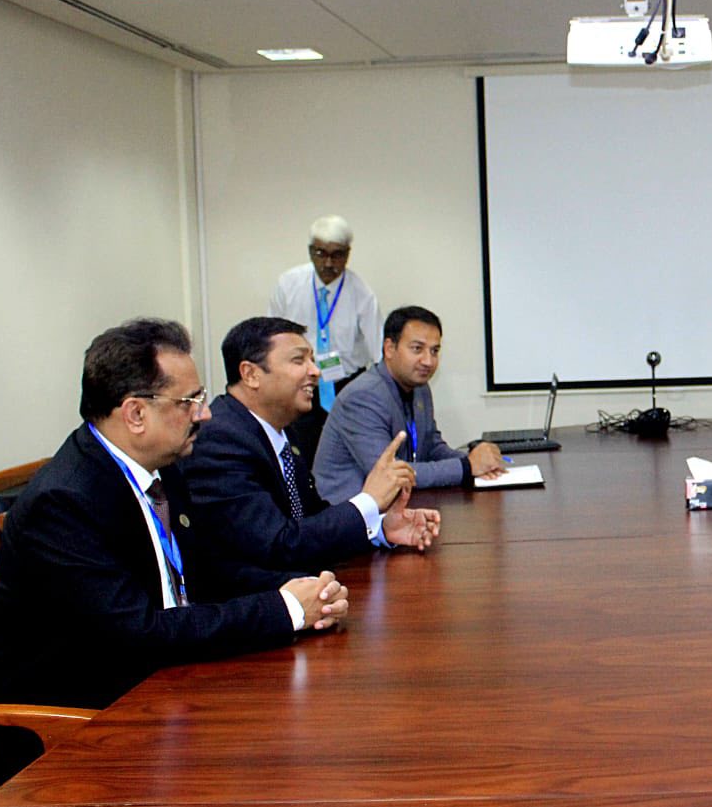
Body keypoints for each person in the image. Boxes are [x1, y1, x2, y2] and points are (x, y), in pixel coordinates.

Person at [0, 319, 351, 711]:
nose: (205, 414)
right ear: (135, 414)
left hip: (161, 685)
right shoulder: (63, 504)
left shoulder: (160, 468)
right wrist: (284, 610)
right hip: (74, 719)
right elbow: (140, 633)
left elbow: (205, 570)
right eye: (189, 402)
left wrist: (303, 589)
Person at [182, 317, 441, 570]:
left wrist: (381, 528)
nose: (316, 372)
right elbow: (279, 545)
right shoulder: (220, 440)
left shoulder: (283, 432)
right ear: (250, 374)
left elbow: (311, 523)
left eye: (313, 361)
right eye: (299, 360)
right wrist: (369, 501)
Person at [314, 306, 506, 502]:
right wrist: (466, 466)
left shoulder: (420, 388)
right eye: (417, 349)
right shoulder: (362, 396)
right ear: (389, 348)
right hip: (348, 511)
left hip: (397, 504)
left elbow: (432, 446)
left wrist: (477, 462)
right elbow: (389, 473)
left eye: (434, 351)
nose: (428, 361)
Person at [267, 215, 382, 466]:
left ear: (348, 254)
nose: (328, 263)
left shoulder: (362, 293)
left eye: (337, 254)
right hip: (298, 384)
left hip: (346, 386)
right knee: (300, 454)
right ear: (310, 251)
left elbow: (379, 354)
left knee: (346, 457)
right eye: (321, 253)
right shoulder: (288, 284)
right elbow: (270, 339)